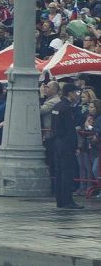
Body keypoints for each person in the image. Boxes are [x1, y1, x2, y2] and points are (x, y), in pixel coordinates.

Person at [46, 81, 82, 209]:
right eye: (76, 92)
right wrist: (75, 146)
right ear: (70, 93)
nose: (77, 95)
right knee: (67, 172)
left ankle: (60, 200)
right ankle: (67, 200)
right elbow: (70, 129)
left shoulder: (57, 106)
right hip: (65, 143)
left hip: (57, 142)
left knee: (59, 172)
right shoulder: (67, 108)